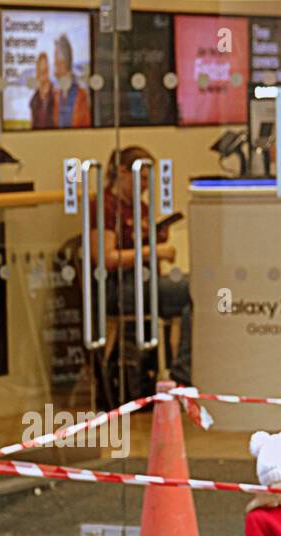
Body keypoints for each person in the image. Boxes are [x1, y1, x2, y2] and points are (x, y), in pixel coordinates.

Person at [90, 145, 192, 398]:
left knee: (197, 296)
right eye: (143, 178)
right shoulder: (104, 207)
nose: (146, 184)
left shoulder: (141, 208)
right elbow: (105, 257)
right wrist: (151, 251)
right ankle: (182, 375)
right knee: (193, 289)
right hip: (119, 286)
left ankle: (181, 371)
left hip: (146, 281)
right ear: (123, 172)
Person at [53, 34, 91, 129]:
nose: (54, 68)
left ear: (63, 63)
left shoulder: (81, 96)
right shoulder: (56, 95)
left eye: (56, 63)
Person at [29, 51, 57, 129]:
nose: (43, 73)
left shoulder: (56, 95)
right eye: (41, 71)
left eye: (45, 70)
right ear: (37, 72)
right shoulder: (34, 100)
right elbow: (32, 126)